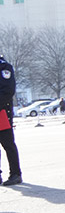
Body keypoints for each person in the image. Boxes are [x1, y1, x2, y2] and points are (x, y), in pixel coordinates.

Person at [0, 55, 22, 186]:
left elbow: (8, 91)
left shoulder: (4, 67)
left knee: (8, 144)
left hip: (1, 112)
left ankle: (15, 174)